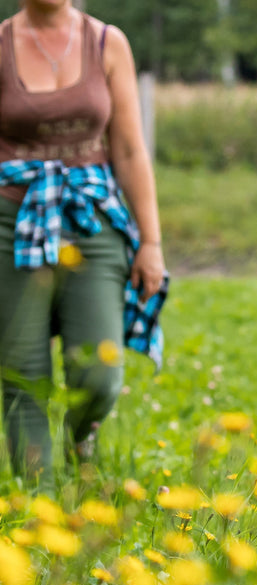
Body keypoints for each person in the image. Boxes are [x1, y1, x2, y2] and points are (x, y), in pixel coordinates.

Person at [0, 0, 168, 486]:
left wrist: (151, 241)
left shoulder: (106, 42)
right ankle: (41, 507)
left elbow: (131, 149)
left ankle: (80, 438)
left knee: (100, 374)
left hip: (92, 221)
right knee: (20, 374)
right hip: (13, 221)